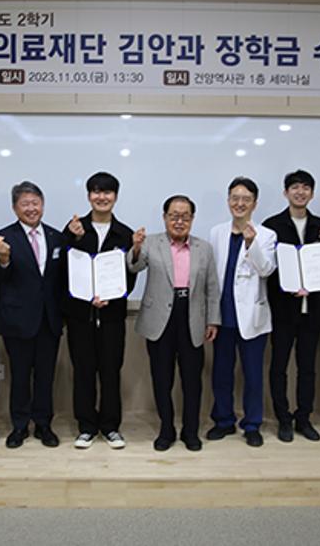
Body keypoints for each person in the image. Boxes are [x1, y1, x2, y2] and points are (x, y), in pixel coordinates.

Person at [128, 195, 220, 452]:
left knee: (192, 381)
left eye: (185, 216)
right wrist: (135, 248)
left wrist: (213, 319)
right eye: (174, 216)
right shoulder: (150, 243)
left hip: (192, 317)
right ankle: (166, 429)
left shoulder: (204, 248)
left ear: (192, 219)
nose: (179, 221)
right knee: (162, 379)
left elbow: (212, 287)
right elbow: (134, 266)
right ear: (165, 217)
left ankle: (191, 431)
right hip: (160, 319)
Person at [263, 169, 320, 442]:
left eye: (305, 187)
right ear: (286, 192)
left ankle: (303, 418)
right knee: (279, 367)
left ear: (312, 193)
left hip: (314, 309)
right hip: (283, 310)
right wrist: (289, 284)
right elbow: (268, 268)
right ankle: (283, 418)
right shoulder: (272, 225)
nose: (300, 192)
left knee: (307, 367)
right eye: (295, 187)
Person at [62, 172, 137, 449]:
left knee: (110, 371)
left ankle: (110, 427)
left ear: (115, 197)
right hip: (80, 316)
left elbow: (129, 277)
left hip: (112, 316)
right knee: (83, 372)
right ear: (88, 195)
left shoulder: (124, 234)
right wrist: (74, 239)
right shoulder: (74, 228)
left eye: (107, 192)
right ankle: (86, 427)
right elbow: (65, 270)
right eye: (96, 191)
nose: (101, 197)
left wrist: (111, 295)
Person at [0, 181, 66, 449]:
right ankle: (20, 426)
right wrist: (3, 260)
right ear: (15, 208)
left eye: (35, 203)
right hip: (17, 320)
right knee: (20, 376)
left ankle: (44, 424)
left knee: (46, 377)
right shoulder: (3, 238)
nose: (31, 208)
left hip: (49, 320)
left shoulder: (57, 237)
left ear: (43, 205)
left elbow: (61, 279)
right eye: (25, 203)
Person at [206, 177, 276, 447]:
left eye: (246, 199)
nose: (239, 203)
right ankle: (223, 421)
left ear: (254, 204)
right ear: (228, 201)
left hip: (252, 317)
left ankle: (252, 424)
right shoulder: (217, 232)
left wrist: (251, 243)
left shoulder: (266, 235)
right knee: (221, 373)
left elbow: (266, 270)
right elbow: (212, 275)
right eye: (235, 198)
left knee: (253, 375)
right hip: (223, 316)